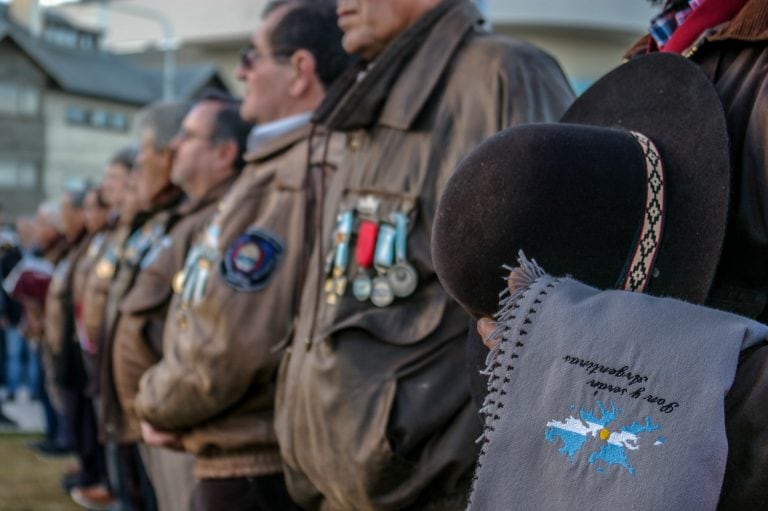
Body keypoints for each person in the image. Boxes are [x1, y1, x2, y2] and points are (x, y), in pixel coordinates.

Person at [273, 0, 574, 509]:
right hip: (341, 481)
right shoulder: (364, 100)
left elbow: (553, 303)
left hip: (431, 486)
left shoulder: (503, 74)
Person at [133, 2, 350, 510]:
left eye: (252, 57)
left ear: (299, 71)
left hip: (253, 463)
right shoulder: (273, 168)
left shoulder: (295, 174)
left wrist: (156, 405)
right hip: (237, 450)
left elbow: (232, 341)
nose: (240, 71)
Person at [113, 95, 249, 511]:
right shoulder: (187, 218)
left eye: (186, 138)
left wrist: (161, 405)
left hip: (185, 424)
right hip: (160, 417)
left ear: (224, 153)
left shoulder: (226, 220)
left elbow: (218, 336)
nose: (173, 148)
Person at [98, 101, 188, 511]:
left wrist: (156, 398)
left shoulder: (188, 223)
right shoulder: (155, 224)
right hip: (143, 403)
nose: (136, 174)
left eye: (143, 157)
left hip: (168, 409)